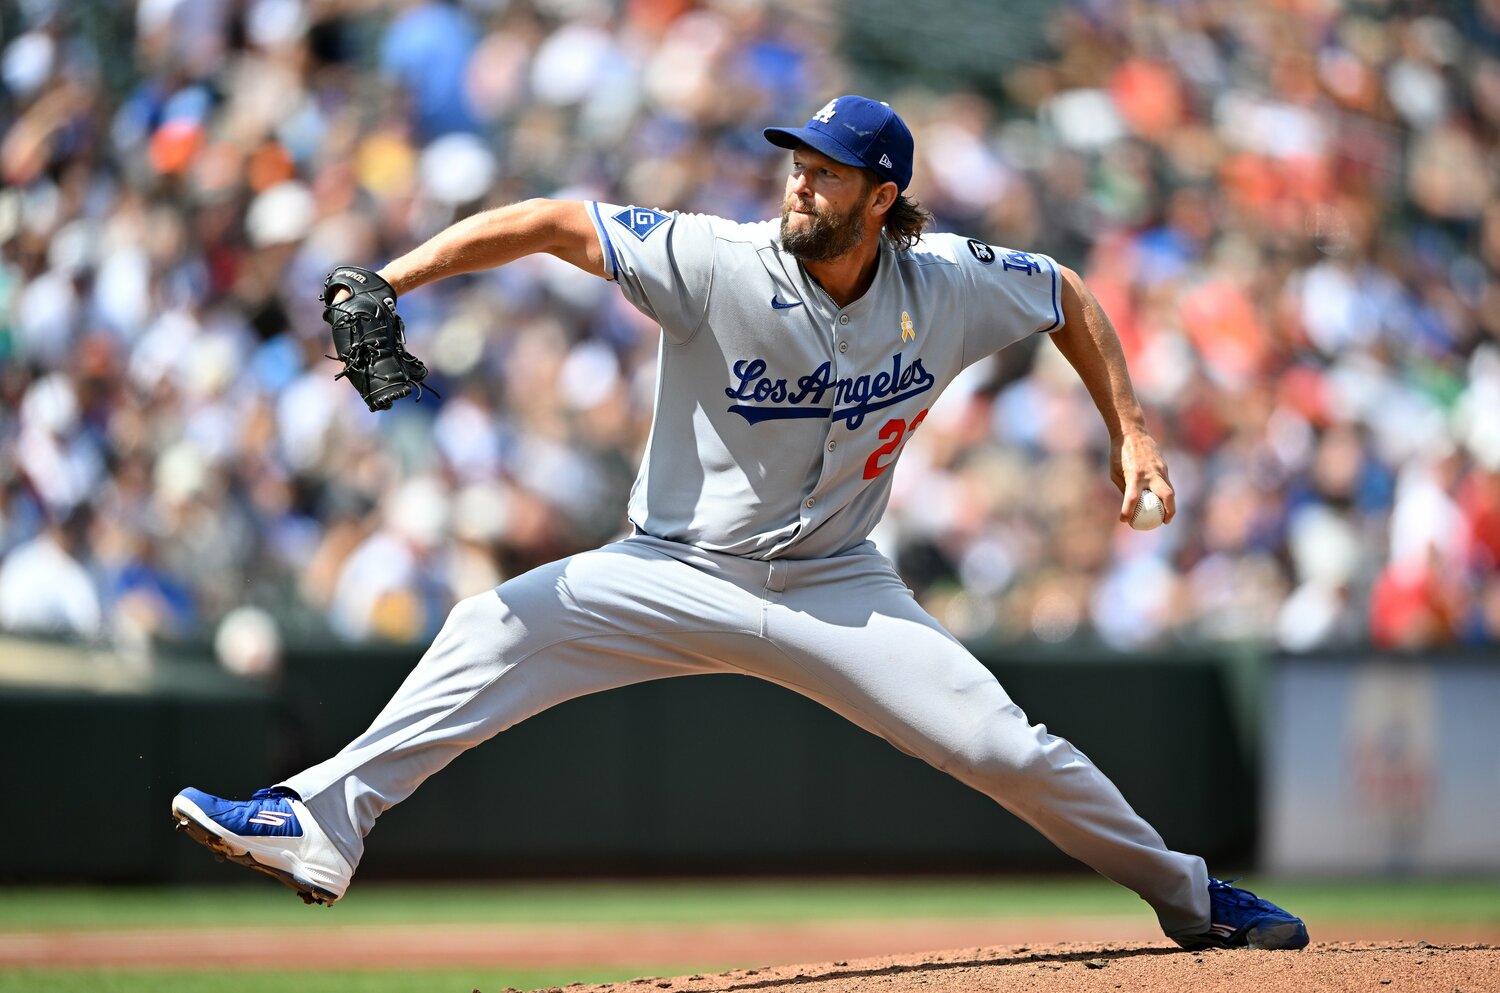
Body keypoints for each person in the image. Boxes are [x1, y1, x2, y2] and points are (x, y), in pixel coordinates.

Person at [171, 96, 1308, 951]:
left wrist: (1132, 428)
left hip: (838, 587)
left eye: (829, 172)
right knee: (493, 624)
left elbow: (1065, 291)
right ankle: (318, 820)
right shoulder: (719, 260)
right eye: (798, 164)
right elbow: (556, 224)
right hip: (673, 569)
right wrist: (396, 278)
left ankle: (1193, 901)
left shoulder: (948, 282)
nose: (801, 184)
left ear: (882, 197)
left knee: (1009, 748)